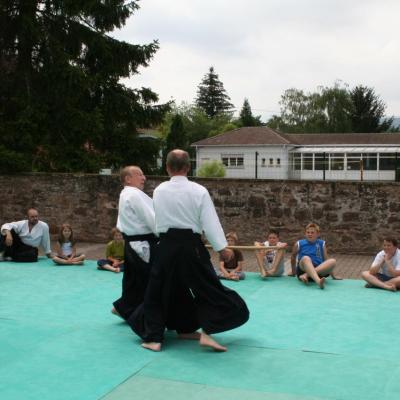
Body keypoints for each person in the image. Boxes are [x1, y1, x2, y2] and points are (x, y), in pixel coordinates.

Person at [133, 149, 249, 352]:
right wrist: (222, 249)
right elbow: (210, 223)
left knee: (159, 291)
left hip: (167, 246)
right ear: (188, 167)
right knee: (209, 288)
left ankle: (156, 338)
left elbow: (158, 221)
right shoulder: (199, 191)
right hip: (191, 247)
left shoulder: (159, 190)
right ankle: (207, 330)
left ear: (167, 167)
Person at [112, 166, 158, 321]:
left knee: (133, 280)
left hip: (132, 244)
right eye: (140, 174)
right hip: (143, 244)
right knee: (149, 281)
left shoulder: (125, 194)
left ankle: (122, 308)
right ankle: (143, 317)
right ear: (128, 179)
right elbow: (151, 219)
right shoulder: (134, 194)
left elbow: (120, 223)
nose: (144, 177)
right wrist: (164, 234)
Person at [291, 222, 341, 289]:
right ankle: (318, 281)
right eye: (308, 232)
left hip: (319, 272)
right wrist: (293, 272)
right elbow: (293, 257)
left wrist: (333, 276)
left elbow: (326, 259)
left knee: (332, 261)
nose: (310, 234)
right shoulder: (299, 243)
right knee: (306, 258)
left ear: (317, 234)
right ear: (305, 233)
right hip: (303, 269)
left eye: (312, 232)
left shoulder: (322, 243)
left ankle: (306, 275)